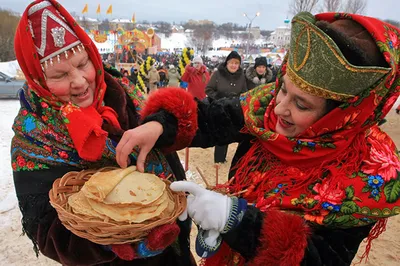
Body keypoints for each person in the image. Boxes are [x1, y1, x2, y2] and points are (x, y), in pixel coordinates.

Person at [115, 12, 400, 266]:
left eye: (301, 105)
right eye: (283, 89)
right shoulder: (265, 108)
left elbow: (324, 257)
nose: (279, 109)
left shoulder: (369, 174)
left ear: (344, 114)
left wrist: (236, 220)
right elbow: (211, 119)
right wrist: (159, 125)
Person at [11, 1, 194, 265]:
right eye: (60, 75)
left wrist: (159, 123)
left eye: (82, 63)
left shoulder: (123, 93)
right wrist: (124, 244)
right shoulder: (34, 136)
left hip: (174, 251)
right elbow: (47, 231)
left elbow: (181, 123)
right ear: (37, 80)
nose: (79, 81)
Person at [205, 51, 247, 164]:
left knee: (236, 134)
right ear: (227, 63)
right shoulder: (218, 74)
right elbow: (208, 89)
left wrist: (238, 101)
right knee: (222, 133)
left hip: (235, 109)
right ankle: (219, 159)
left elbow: (244, 92)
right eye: (231, 62)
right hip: (220, 108)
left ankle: (238, 161)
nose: (233, 65)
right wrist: (219, 98)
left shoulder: (242, 76)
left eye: (236, 63)